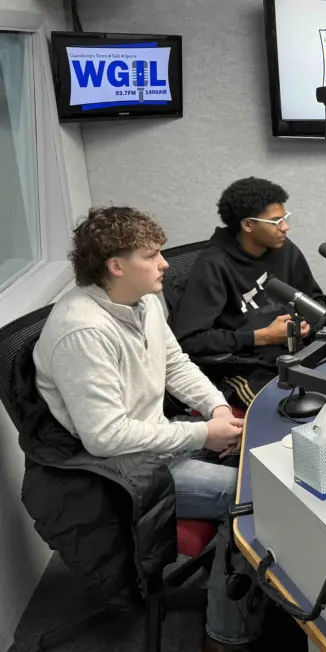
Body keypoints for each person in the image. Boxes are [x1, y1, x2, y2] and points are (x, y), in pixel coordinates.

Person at [31, 207, 263, 650]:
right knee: (254, 497)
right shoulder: (82, 332)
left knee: (262, 459)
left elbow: (174, 363)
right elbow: (106, 437)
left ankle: (239, 577)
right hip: (121, 472)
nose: (164, 264)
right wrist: (200, 435)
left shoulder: (143, 301)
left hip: (156, 439)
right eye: (152, 255)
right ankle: (227, 634)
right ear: (116, 266)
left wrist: (215, 407)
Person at [171, 177, 326, 407]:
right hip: (245, 367)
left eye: (285, 218)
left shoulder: (285, 249)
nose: (285, 227)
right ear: (248, 225)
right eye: (276, 221)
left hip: (294, 353)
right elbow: (190, 340)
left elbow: (316, 300)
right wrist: (262, 337)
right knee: (281, 409)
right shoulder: (213, 264)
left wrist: (307, 325)